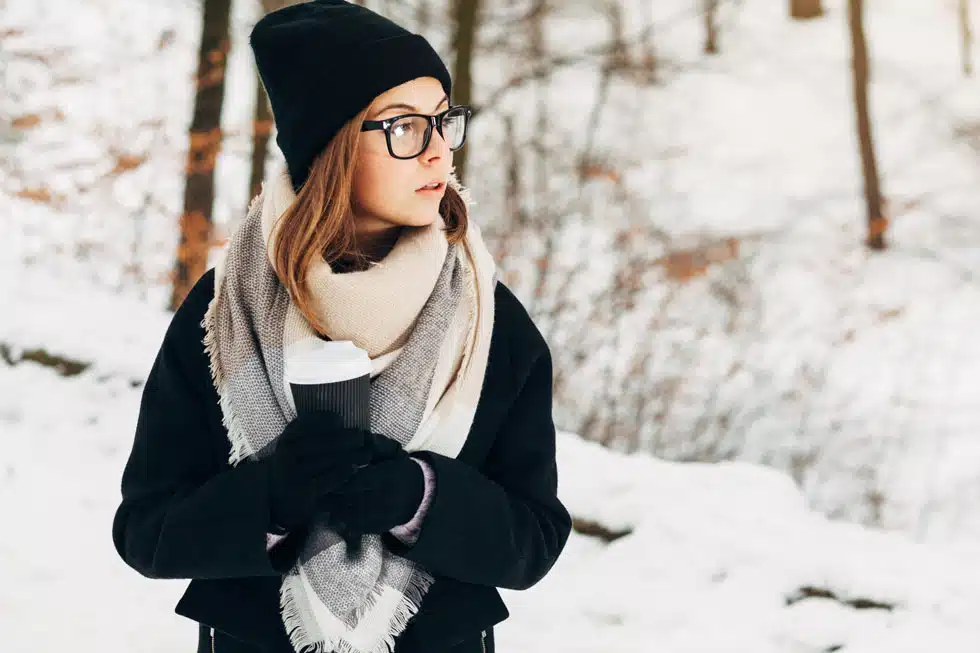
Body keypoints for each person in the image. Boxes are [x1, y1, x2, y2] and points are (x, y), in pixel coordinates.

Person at [111, 2, 571, 653]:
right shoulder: (222, 313)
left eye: (443, 121)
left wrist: (421, 498)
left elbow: (535, 540)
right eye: (406, 127)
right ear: (331, 143)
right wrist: (270, 499)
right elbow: (146, 530)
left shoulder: (489, 322)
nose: (439, 149)